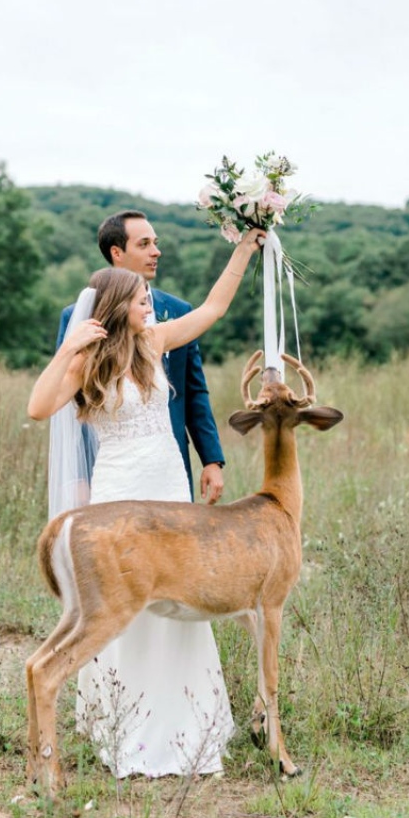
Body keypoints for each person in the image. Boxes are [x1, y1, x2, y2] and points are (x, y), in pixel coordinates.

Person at [28, 225, 265, 779]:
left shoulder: (157, 343)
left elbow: (212, 307)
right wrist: (69, 347)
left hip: (166, 487)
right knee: (120, 603)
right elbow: (40, 407)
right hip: (118, 490)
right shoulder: (89, 362)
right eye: (141, 302)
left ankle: (185, 724)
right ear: (118, 306)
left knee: (181, 595)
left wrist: (243, 250)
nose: (150, 307)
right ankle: (123, 725)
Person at [57, 210, 224, 504]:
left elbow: (194, 390)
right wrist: (79, 476)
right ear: (117, 252)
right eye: (144, 244)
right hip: (107, 463)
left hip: (169, 462)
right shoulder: (78, 316)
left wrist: (211, 459)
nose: (156, 252)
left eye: (155, 243)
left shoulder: (179, 309)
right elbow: (70, 403)